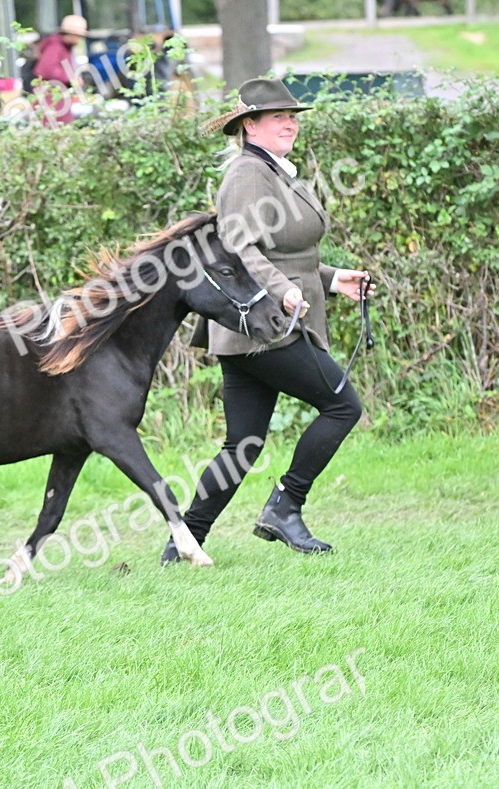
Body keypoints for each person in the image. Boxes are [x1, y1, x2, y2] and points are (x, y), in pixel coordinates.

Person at [161, 78, 378, 563]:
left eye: (293, 115)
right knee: (343, 406)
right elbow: (241, 247)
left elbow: (286, 253)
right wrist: (282, 293)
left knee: (243, 445)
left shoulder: (274, 171)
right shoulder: (247, 173)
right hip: (263, 324)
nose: (289, 122)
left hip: (257, 327)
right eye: (277, 115)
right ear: (248, 125)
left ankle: (184, 543)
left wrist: (330, 278)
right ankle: (285, 506)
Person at [30, 14, 88, 125]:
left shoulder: (64, 48)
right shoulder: (55, 47)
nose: (79, 39)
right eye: (78, 36)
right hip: (51, 100)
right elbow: (46, 70)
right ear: (70, 34)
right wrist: (70, 79)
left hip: (58, 99)